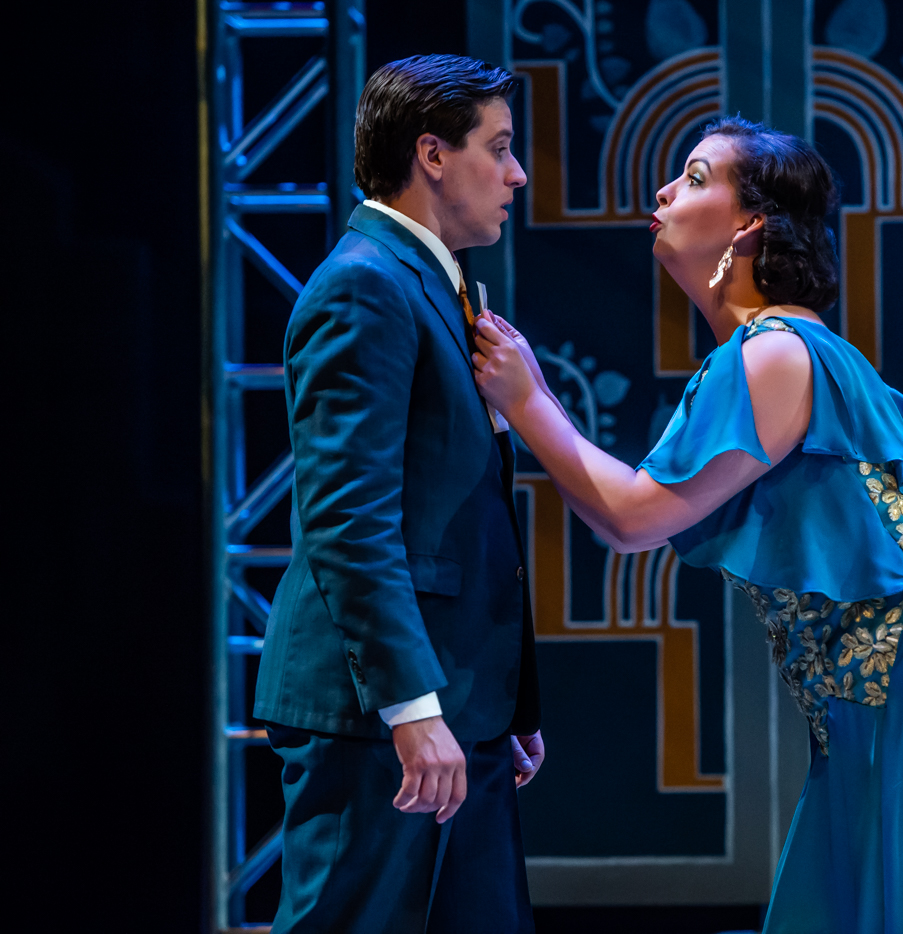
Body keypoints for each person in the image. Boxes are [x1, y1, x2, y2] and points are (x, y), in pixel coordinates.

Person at [471, 117, 903, 934]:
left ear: (749, 224)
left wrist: (528, 400)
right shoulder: (783, 348)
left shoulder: (772, 350)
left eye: (696, 177)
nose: (665, 192)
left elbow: (632, 517)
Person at [253, 55, 544, 934]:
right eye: (499, 147)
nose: (516, 173)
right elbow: (349, 520)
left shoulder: (427, 282)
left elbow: (459, 511)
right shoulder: (365, 285)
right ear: (432, 154)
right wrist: (412, 709)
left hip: (462, 701)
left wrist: (503, 701)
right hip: (383, 714)